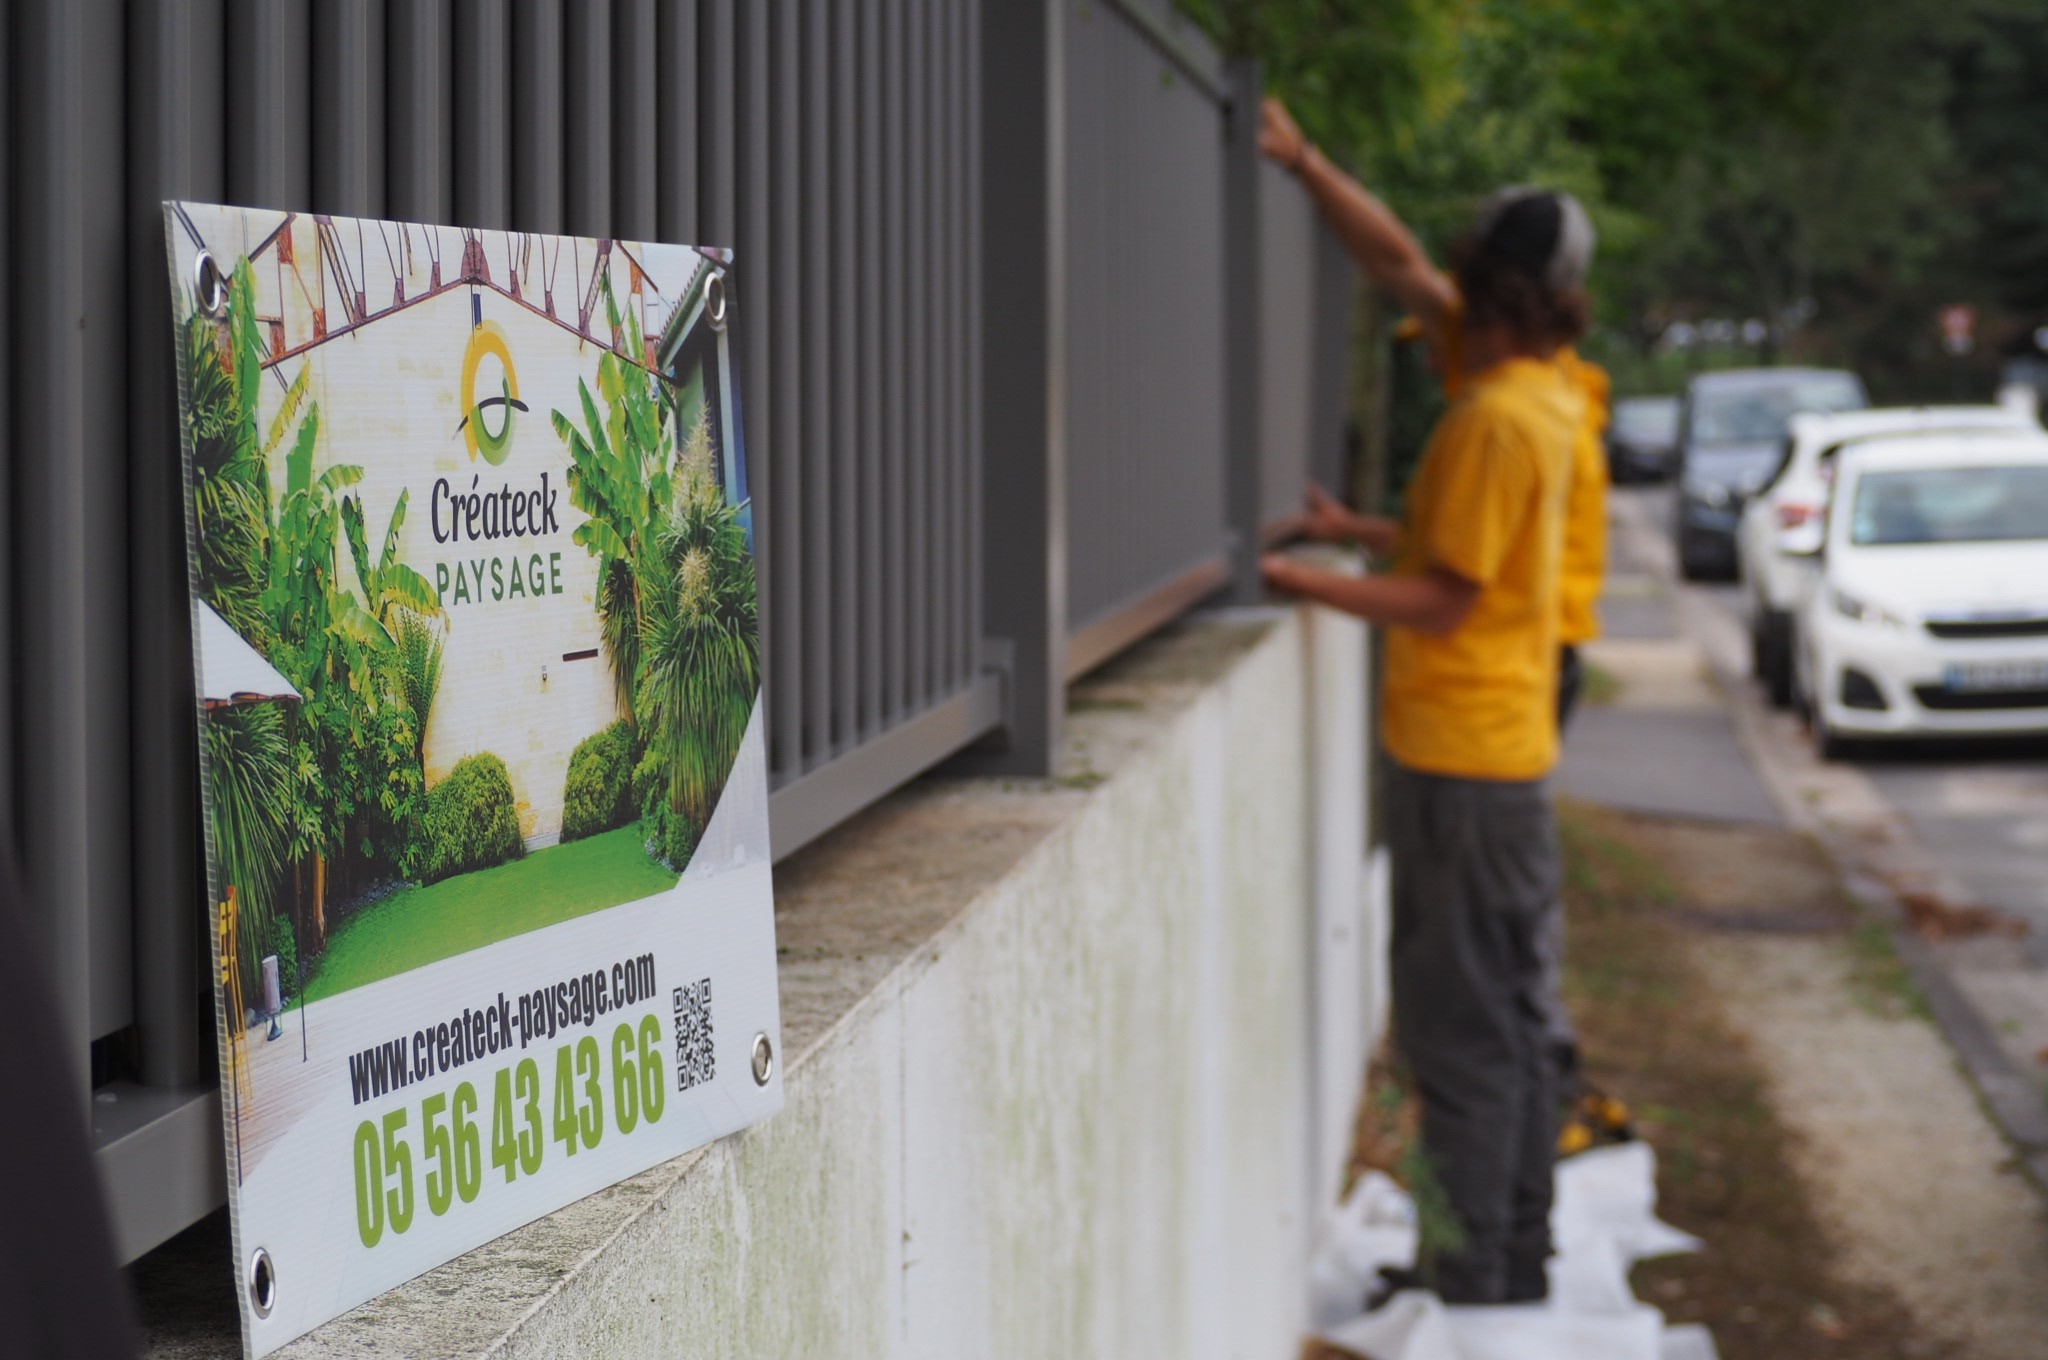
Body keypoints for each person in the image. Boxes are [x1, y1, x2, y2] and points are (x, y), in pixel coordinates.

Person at [1258, 97, 1591, 1306]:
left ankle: (1471, 1276)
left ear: (1484, 278)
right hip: (1500, 763)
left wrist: (1299, 576)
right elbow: (1390, 259)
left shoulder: (1498, 418)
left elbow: (1448, 597)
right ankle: (1510, 1257)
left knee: (1460, 1031)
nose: (1432, 269)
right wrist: (1304, 158)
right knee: (1507, 1016)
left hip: (1462, 773)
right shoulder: (1538, 390)